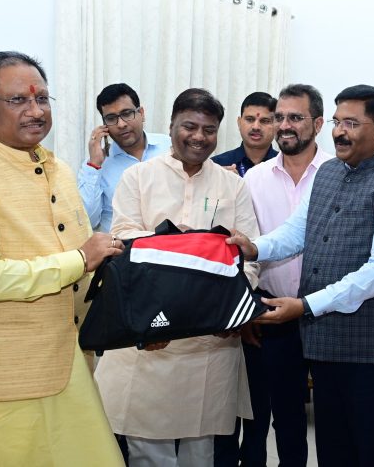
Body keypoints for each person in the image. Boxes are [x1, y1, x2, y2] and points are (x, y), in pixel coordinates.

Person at [0, 51, 125, 466]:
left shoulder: (59, 170)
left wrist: (127, 326)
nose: (36, 111)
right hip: (7, 379)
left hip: (71, 366)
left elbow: (87, 278)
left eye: (42, 98)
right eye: (18, 100)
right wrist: (78, 259)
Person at [228, 84, 374, 467]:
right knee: (334, 452)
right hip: (326, 345)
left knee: (373, 453)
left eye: (351, 123)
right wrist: (253, 248)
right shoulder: (329, 172)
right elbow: (296, 232)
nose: (339, 131)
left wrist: (305, 305)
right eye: (337, 122)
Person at [93, 88, 259, 467]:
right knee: (148, 452)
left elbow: (249, 257)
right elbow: (124, 245)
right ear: (170, 127)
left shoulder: (232, 186)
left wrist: (233, 311)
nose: (199, 136)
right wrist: (175, 241)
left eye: (209, 130)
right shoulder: (138, 178)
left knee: (201, 452)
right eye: (189, 126)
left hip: (210, 341)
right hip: (151, 337)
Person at [238, 83, 332, 466]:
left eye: (295, 117)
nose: (284, 125)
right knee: (267, 416)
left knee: (325, 421)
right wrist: (247, 311)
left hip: (326, 315)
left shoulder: (338, 175)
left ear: (318, 124)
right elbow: (245, 252)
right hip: (271, 314)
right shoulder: (254, 179)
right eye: (280, 117)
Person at [78, 83, 171, 232]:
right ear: (104, 125)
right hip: (121, 244)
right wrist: (95, 165)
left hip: (168, 241)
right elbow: (88, 221)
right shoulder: (97, 165)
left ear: (141, 113)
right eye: (111, 118)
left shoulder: (169, 146)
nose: (121, 124)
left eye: (127, 114)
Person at [212, 91, 278, 176]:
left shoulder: (286, 167)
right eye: (250, 119)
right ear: (239, 123)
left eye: (265, 121)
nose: (256, 127)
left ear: (277, 125)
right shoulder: (217, 166)